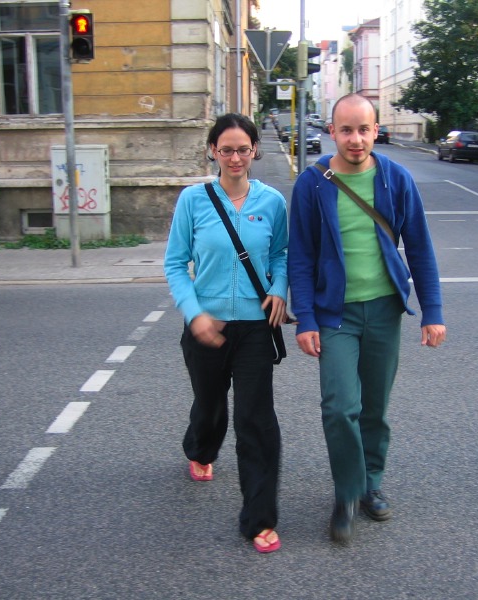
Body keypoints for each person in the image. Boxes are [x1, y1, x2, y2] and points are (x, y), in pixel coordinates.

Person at [287, 94, 446, 544]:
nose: (355, 139)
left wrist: (431, 312)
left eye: (363, 129)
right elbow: (300, 256)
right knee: (340, 407)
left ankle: (370, 482)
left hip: (383, 310)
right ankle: (347, 491)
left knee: (374, 407)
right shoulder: (313, 183)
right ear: (331, 132)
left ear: (377, 131)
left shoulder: (396, 179)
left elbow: (419, 248)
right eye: (345, 130)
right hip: (335, 315)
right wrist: (307, 319)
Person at [164, 113, 289, 554]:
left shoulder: (272, 201)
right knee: (210, 404)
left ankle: (259, 518)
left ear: (254, 151)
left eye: (243, 149)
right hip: (206, 326)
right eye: (226, 149)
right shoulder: (194, 200)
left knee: (256, 420)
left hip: (256, 328)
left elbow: (282, 253)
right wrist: (194, 313)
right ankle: (200, 448)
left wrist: (277, 289)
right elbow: (175, 263)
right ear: (213, 151)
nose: (235, 157)